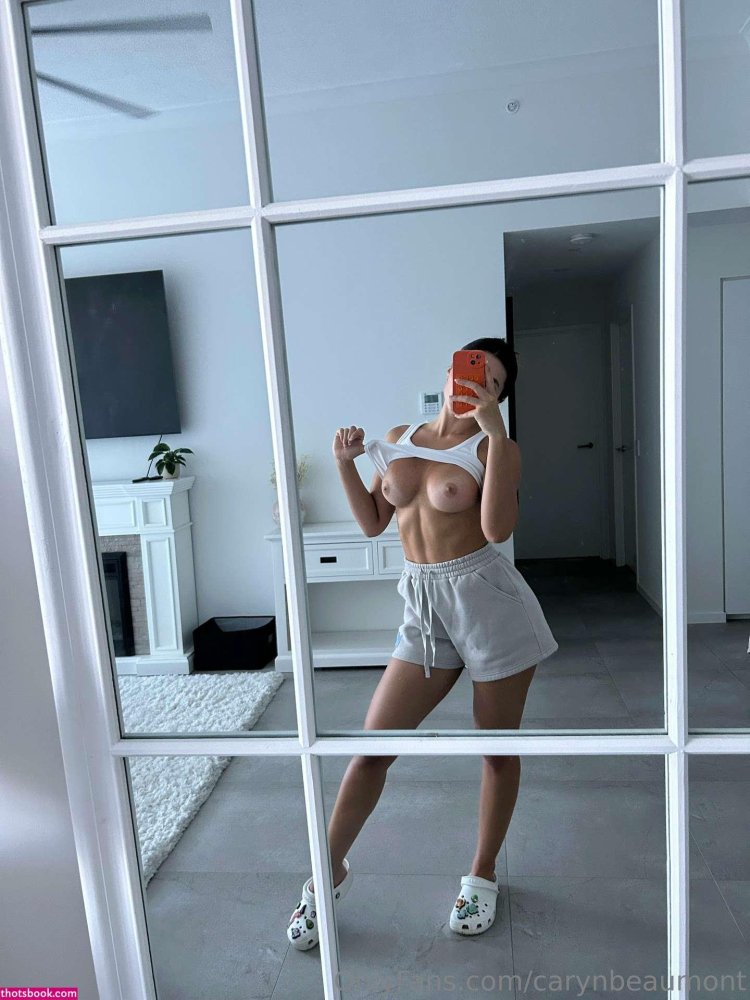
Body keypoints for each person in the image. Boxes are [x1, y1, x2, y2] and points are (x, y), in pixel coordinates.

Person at [286, 338, 559, 950]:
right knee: (371, 749)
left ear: (499, 395)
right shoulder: (399, 436)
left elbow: (496, 529)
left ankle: (483, 875)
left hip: (490, 605)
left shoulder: (494, 447)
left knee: (495, 750)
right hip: (422, 607)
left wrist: (496, 435)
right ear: (450, 371)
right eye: (470, 370)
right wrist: (344, 463)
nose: (476, 384)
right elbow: (372, 524)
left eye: (491, 382)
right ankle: (326, 873)